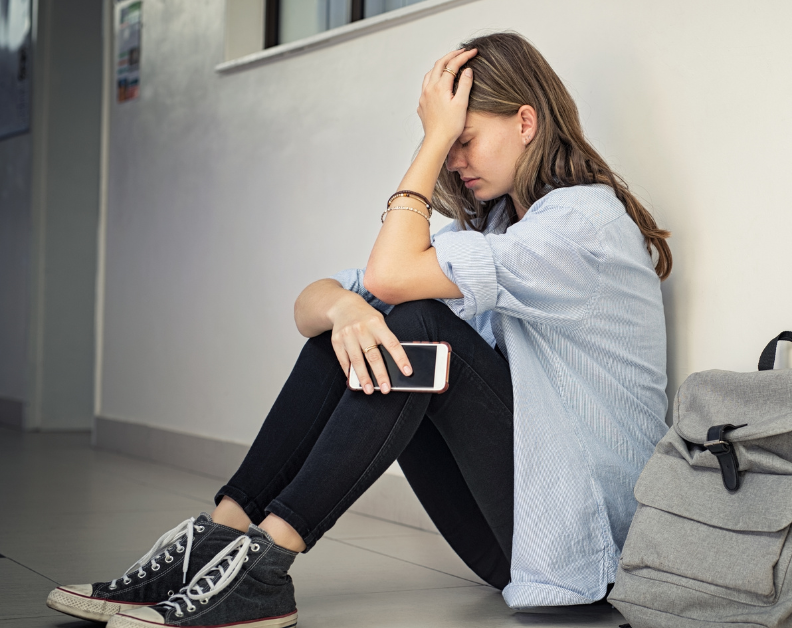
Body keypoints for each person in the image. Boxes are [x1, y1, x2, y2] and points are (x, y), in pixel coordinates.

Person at [45, 31, 672, 628]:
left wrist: (429, 143)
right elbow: (311, 304)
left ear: (526, 123)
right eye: (446, 148)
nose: (453, 165)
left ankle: (265, 564)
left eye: (463, 141)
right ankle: (222, 539)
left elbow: (393, 275)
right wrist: (346, 311)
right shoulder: (495, 230)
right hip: (518, 541)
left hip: (587, 547)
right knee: (351, 327)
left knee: (417, 322)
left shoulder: (581, 223)